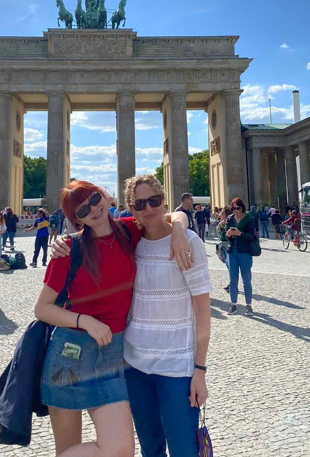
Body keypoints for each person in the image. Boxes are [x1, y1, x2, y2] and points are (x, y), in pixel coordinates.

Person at [36, 179, 191, 456]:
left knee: (120, 449)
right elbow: (43, 309)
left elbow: (171, 214)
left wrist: (179, 230)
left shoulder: (130, 229)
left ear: (106, 196)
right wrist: (86, 321)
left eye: (95, 199)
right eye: (81, 210)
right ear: (76, 220)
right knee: (69, 448)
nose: (92, 210)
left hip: (111, 355)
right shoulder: (69, 250)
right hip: (69, 355)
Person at [123, 175, 212, 457]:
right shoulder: (130, 242)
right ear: (130, 208)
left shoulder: (188, 242)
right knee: (151, 450)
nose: (148, 208)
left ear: (164, 200)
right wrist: (65, 243)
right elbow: (93, 231)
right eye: (139, 203)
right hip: (135, 366)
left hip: (176, 369)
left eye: (154, 200)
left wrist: (200, 370)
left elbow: (202, 309)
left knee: (184, 450)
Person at [225, 198, 256, 316]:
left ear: (242, 207)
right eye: (233, 209)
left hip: (245, 252)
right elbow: (225, 235)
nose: (236, 211)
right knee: (233, 280)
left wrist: (240, 234)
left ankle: (248, 305)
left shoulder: (249, 219)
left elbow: (253, 236)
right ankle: (233, 305)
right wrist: (228, 234)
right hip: (232, 251)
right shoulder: (230, 219)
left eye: (238, 208)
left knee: (246, 280)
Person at [217, 207, 232, 292]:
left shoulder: (228, 222)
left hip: (227, 246)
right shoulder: (223, 222)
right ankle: (231, 284)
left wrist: (220, 226)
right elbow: (218, 232)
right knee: (228, 266)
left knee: (230, 266)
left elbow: (223, 235)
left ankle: (232, 285)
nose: (220, 214)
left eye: (222, 213)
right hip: (223, 246)